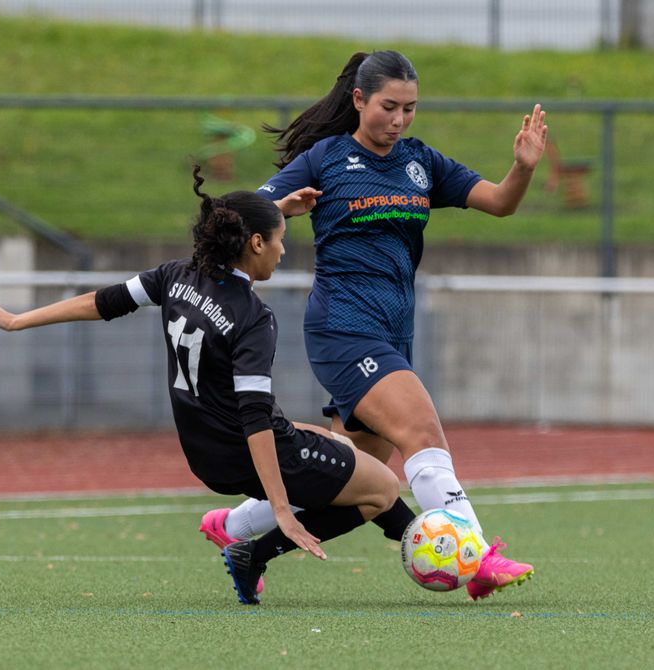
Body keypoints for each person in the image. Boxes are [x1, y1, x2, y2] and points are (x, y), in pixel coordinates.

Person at [0, 166, 416, 605]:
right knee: (382, 487)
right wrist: (282, 510)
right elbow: (253, 415)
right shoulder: (253, 317)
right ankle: (258, 553)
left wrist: (19, 320)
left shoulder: (178, 276)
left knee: (330, 443)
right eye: (280, 239)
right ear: (255, 243)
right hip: (242, 450)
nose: (283, 251)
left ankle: (242, 531)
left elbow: (104, 301)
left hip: (202, 452)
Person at [204, 50, 546, 601]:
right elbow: (239, 216)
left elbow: (500, 203)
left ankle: (238, 531)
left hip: (392, 331)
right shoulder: (326, 158)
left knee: (355, 483)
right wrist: (285, 208)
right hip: (342, 326)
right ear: (360, 100)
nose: (400, 119)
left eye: (410, 109)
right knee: (423, 434)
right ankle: (477, 557)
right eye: (389, 106)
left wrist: (524, 167)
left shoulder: (422, 163)